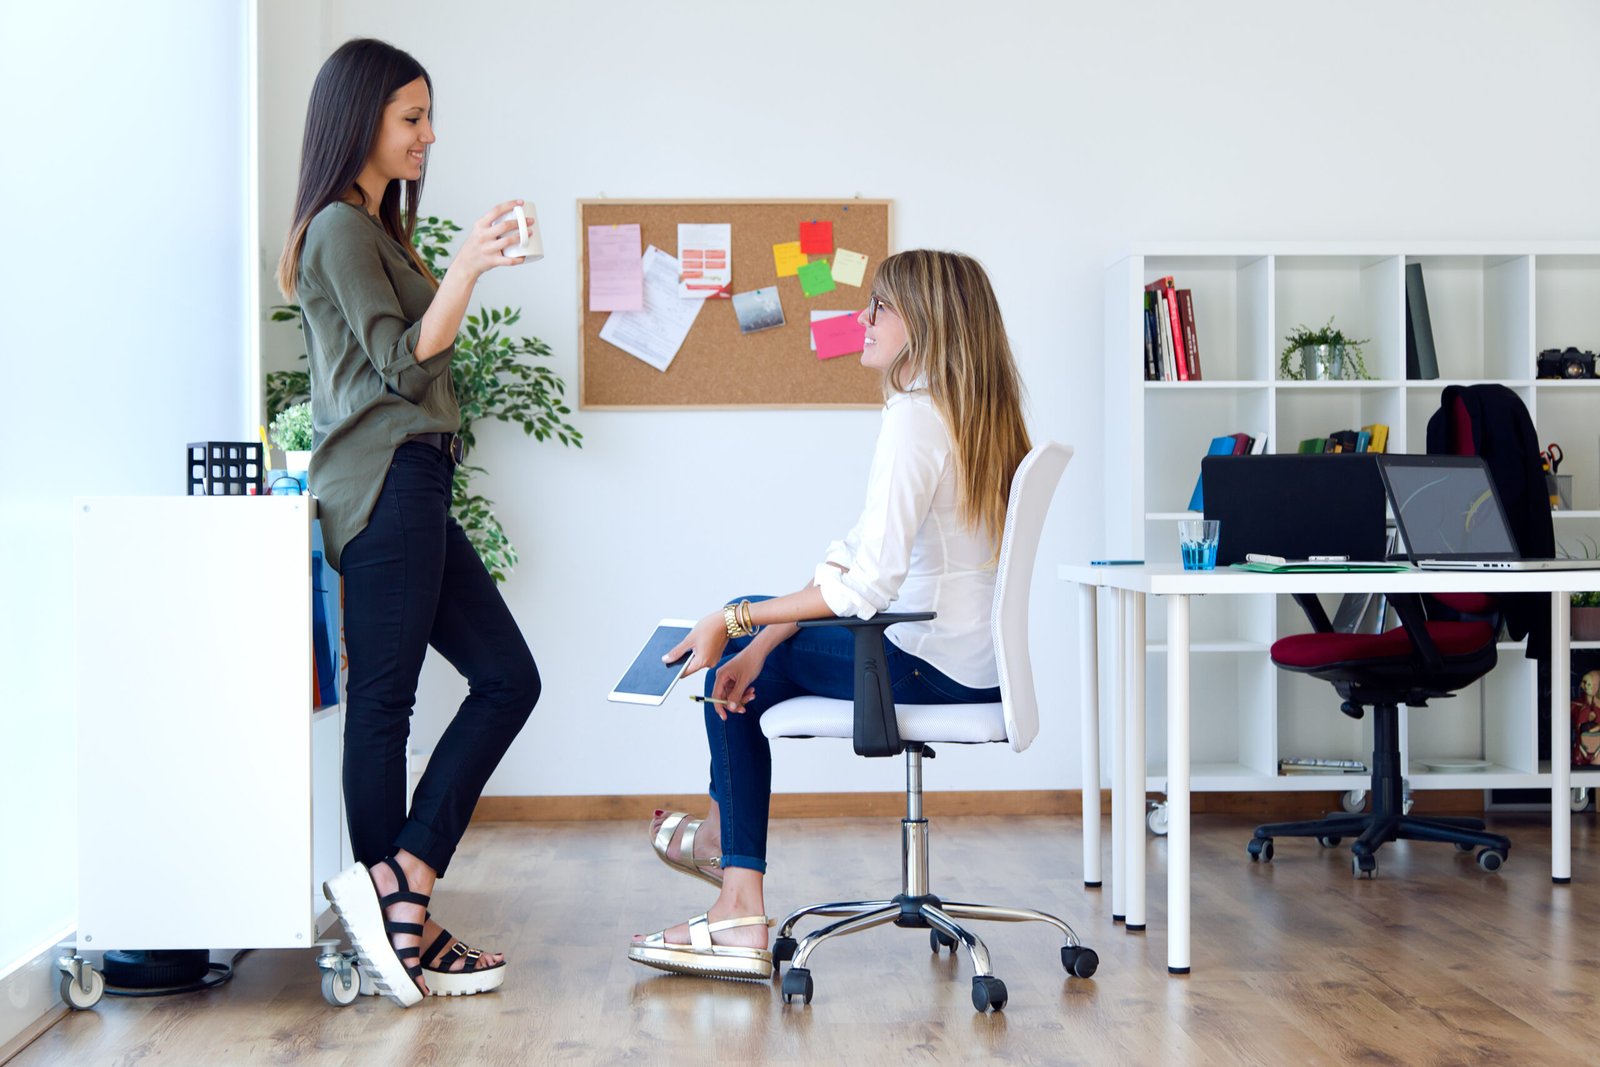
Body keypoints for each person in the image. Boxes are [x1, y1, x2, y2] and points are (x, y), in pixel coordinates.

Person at [628, 250, 1032, 982]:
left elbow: (865, 587)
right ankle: (727, 840)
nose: (862, 319)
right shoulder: (979, 414)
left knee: (727, 661)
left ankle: (737, 899)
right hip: (970, 666)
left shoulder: (915, 418)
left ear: (926, 321)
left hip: (922, 661)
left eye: (880, 306)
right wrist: (756, 626)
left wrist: (734, 619)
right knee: (746, 649)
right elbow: (853, 565)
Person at [276, 38, 540, 1007]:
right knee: (384, 706)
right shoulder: (343, 229)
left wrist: (456, 259)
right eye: (411, 117)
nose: (428, 135)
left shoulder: (373, 229)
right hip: (386, 481)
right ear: (361, 121)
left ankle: (404, 885)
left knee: (509, 677)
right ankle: (398, 920)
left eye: (429, 116)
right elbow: (400, 365)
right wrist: (467, 264)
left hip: (412, 475)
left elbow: (408, 359)